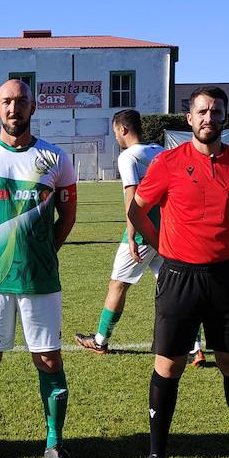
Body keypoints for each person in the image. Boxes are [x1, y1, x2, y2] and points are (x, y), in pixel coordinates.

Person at [128, 86, 229, 458]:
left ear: (225, 117)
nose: (208, 118)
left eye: (216, 111)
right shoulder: (167, 162)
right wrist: (154, 241)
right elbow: (138, 208)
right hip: (178, 277)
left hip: (226, 278)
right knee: (169, 365)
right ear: (189, 118)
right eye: (201, 112)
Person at [0, 79, 81, 458]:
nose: (14, 109)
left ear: (33, 107)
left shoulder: (56, 158)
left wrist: (42, 252)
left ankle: (54, 443)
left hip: (39, 281)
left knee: (47, 359)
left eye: (21, 102)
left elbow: (68, 217)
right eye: (7, 102)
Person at [74, 109, 184, 357]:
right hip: (167, 231)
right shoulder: (161, 151)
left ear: (123, 130)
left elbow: (132, 197)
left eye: (115, 132)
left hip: (144, 232)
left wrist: (132, 236)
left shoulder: (128, 157)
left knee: (118, 285)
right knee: (175, 288)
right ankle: (194, 347)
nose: (116, 138)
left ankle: (100, 341)